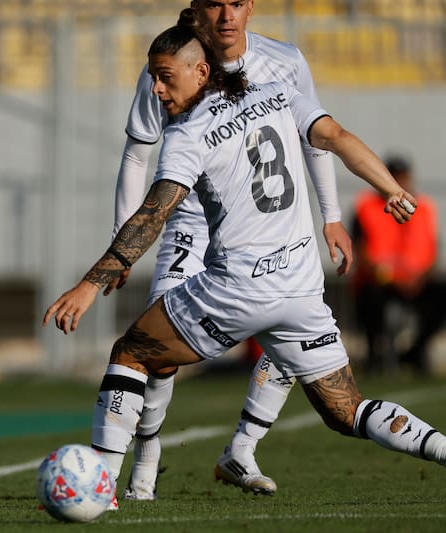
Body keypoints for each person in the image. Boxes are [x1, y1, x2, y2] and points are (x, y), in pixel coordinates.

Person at [43, 12, 446, 503]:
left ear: (202, 71)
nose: (155, 90)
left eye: (164, 78)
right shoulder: (276, 92)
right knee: (347, 412)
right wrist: (390, 188)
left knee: (132, 353)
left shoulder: (187, 134)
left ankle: (99, 487)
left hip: (236, 288)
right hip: (301, 292)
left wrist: (88, 284)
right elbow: (337, 138)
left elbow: (153, 213)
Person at [107, 0, 351, 499]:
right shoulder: (168, 67)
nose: (225, 15)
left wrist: (331, 215)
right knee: (158, 351)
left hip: (262, 230)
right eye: (214, 3)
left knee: (286, 320)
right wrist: (122, 245)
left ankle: (243, 447)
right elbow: (138, 151)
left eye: (236, 3)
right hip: (190, 223)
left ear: (251, 7)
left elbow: (314, 138)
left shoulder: (285, 61)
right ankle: (144, 472)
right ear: (196, 8)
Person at [352, 155, 446, 373]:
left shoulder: (424, 208)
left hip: (417, 281)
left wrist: (419, 278)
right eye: (396, 176)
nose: (401, 181)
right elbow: (362, 250)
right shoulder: (366, 206)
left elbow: (433, 249)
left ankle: (414, 353)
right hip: (382, 280)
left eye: (404, 176)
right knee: (370, 299)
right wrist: (391, 278)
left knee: (440, 296)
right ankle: (376, 356)